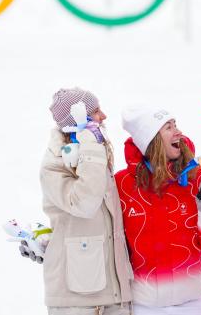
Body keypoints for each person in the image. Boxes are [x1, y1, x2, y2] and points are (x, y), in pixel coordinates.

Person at [115, 105, 201, 315]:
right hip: (144, 306)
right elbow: (107, 238)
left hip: (194, 303)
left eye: (176, 124)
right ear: (150, 139)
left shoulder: (195, 177)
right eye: (168, 127)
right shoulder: (122, 184)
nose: (178, 131)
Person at [41, 87, 133, 315]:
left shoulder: (92, 153)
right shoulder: (54, 163)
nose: (103, 116)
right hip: (78, 300)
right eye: (95, 111)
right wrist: (91, 146)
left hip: (113, 293)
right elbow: (85, 204)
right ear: (76, 121)